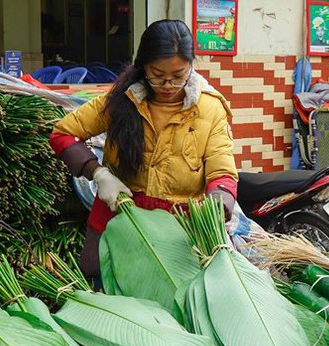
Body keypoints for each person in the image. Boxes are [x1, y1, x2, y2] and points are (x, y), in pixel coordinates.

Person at [49, 20, 238, 278]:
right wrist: (99, 174)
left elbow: (221, 166)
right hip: (119, 219)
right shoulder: (120, 100)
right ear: (142, 67)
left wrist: (221, 197)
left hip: (179, 233)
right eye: (158, 76)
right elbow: (63, 133)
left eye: (178, 76)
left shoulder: (210, 108)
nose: (168, 85)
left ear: (191, 67)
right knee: (107, 289)